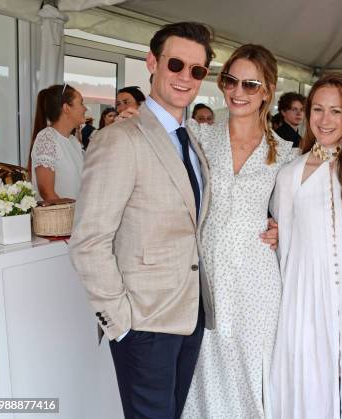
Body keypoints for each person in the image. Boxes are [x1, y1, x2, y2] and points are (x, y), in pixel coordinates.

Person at [70, 22, 216, 419]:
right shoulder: (119, 139)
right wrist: (120, 323)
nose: (185, 77)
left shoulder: (191, 140)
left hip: (189, 316)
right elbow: (88, 241)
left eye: (197, 70)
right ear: (152, 62)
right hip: (143, 324)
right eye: (175, 64)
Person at [182, 44, 296, 419]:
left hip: (256, 278)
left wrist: (285, 229)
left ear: (267, 91)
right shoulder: (197, 136)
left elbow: (299, 210)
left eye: (250, 84)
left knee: (252, 368)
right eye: (231, 81)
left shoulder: (285, 153)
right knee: (204, 369)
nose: (238, 92)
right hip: (206, 271)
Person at [270, 72, 342, 419]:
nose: (325, 120)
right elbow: (285, 247)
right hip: (306, 299)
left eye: (336, 111)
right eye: (317, 109)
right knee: (310, 389)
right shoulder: (290, 174)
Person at [28, 84, 85, 200]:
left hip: (77, 215)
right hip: (58, 216)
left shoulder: (74, 141)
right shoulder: (47, 138)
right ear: (66, 108)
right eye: (81, 103)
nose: (85, 108)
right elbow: (47, 193)